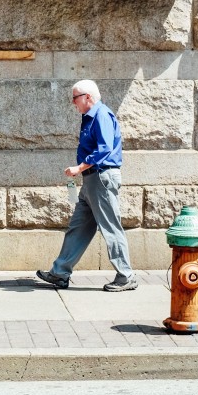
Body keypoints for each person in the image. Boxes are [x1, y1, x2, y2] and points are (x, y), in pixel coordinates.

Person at [36, 79, 136, 292]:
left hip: (101, 177)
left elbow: (105, 149)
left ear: (88, 97)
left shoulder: (101, 115)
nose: (73, 103)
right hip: (92, 180)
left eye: (75, 98)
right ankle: (60, 272)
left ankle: (126, 276)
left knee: (110, 227)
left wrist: (79, 167)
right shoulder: (91, 116)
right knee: (78, 227)